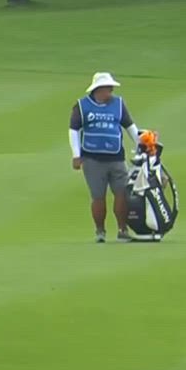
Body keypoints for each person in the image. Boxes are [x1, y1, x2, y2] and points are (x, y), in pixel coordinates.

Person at [69, 72, 140, 243]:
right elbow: (74, 131)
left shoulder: (119, 104)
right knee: (98, 196)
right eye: (108, 88)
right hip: (92, 159)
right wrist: (76, 155)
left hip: (116, 158)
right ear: (98, 90)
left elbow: (130, 127)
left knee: (122, 193)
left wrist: (142, 144)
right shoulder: (82, 106)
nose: (111, 91)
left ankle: (123, 230)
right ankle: (100, 231)